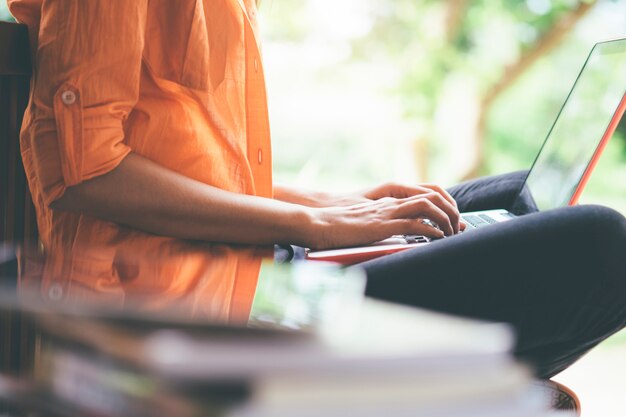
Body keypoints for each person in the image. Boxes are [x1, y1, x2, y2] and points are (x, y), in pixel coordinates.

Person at [7, 0, 626, 382]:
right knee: (601, 245)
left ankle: (454, 386)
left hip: (257, 266)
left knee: (514, 196)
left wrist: (336, 205)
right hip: (197, 306)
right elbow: (86, 171)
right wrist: (313, 228)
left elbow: (193, 167)